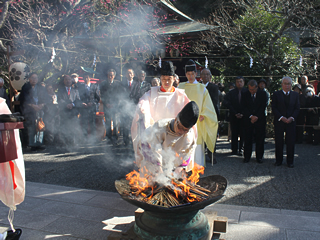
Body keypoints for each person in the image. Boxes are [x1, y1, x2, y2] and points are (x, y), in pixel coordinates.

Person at [131, 61, 191, 162]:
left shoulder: (181, 95)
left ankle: (176, 171)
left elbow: (189, 109)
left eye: (169, 79)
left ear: (174, 79)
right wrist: (143, 108)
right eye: (163, 79)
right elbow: (144, 101)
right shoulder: (152, 92)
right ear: (160, 79)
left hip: (175, 133)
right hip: (156, 133)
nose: (166, 82)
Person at [137, 101, 198, 174]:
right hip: (152, 163)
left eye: (185, 130)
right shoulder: (160, 127)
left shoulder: (189, 136)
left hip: (171, 166)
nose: (181, 132)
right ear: (176, 120)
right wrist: (159, 170)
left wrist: (176, 172)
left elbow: (186, 155)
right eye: (180, 127)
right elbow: (152, 148)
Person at [178, 59, 218, 166]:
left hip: (197, 122)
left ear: (196, 74)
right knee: (183, 144)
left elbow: (208, 106)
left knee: (197, 144)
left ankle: (197, 169)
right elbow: (176, 103)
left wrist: (203, 115)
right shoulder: (180, 87)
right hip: (183, 121)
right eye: (188, 74)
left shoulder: (202, 88)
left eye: (192, 74)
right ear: (185, 74)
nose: (191, 76)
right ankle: (183, 170)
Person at [272, 76, 300, 168]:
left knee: (290, 142)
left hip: (291, 121)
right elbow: (274, 108)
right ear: (282, 84)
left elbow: (297, 108)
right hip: (280, 121)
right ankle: (278, 160)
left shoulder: (295, 95)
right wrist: (281, 117)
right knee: (279, 141)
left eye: (289, 84)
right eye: (285, 84)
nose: (287, 86)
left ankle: (290, 161)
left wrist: (292, 117)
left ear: (291, 85)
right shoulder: (276, 94)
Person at [19, 73, 47, 150]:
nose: (34, 79)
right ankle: (32, 144)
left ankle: (39, 143)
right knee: (31, 126)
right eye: (33, 78)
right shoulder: (25, 87)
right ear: (29, 79)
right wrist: (32, 105)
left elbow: (45, 97)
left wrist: (41, 105)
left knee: (40, 125)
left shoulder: (41, 87)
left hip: (40, 109)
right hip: (29, 110)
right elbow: (23, 98)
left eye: (36, 78)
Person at [242, 80, 267, 163]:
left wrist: (256, 117)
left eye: (253, 89)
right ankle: (247, 157)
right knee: (247, 139)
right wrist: (251, 116)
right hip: (248, 120)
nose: (252, 91)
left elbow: (263, 106)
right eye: (250, 89)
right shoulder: (245, 94)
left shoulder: (263, 94)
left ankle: (259, 157)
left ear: (257, 87)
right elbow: (243, 107)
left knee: (260, 139)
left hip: (260, 119)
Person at [200, 68, 220, 164]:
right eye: (203, 74)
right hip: (200, 116)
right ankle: (201, 156)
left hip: (210, 114)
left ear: (210, 76)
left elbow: (215, 102)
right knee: (201, 136)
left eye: (207, 74)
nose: (205, 76)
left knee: (211, 135)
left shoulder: (214, 87)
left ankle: (212, 155)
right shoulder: (198, 86)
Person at [57, 75, 83, 146]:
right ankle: (65, 143)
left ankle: (73, 143)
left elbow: (78, 100)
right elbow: (59, 100)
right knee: (65, 127)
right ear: (64, 81)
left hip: (73, 113)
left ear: (71, 81)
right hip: (64, 112)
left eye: (69, 79)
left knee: (73, 127)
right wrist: (66, 104)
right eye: (66, 80)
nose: (68, 81)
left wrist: (73, 104)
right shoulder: (60, 90)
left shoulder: (75, 91)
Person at [224, 76, 247, 155]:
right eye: (237, 81)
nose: (239, 83)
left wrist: (242, 113)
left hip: (244, 116)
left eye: (241, 81)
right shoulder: (231, 92)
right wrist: (235, 113)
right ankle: (234, 149)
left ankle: (241, 149)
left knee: (243, 133)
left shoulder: (247, 92)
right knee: (234, 133)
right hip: (234, 116)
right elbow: (227, 103)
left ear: (243, 82)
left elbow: (249, 104)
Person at [100, 69, 123, 144]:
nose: (110, 76)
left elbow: (119, 95)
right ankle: (109, 137)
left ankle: (116, 137)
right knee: (108, 122)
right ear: (107, 75)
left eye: (112, 75)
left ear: (114, 76)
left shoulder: (118, 84)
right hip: (107, 106)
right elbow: (102, 95)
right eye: (109, 75)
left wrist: (115, 104)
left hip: (115, 106)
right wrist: (106, 103)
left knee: (116, 122)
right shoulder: (103, 84)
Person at [79, 74, 100, 139]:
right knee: (84, 122)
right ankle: (84, 137)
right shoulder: (81, 87)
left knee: (92, 122)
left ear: (90, 78)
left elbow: (98, 98)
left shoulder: (94, 86)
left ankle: (93, 138)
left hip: (92, 107)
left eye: (87, 78)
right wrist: (82, 103)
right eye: (84, 78)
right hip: (84, 108)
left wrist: (92, 103)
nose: (86, 79)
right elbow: (78, 97)